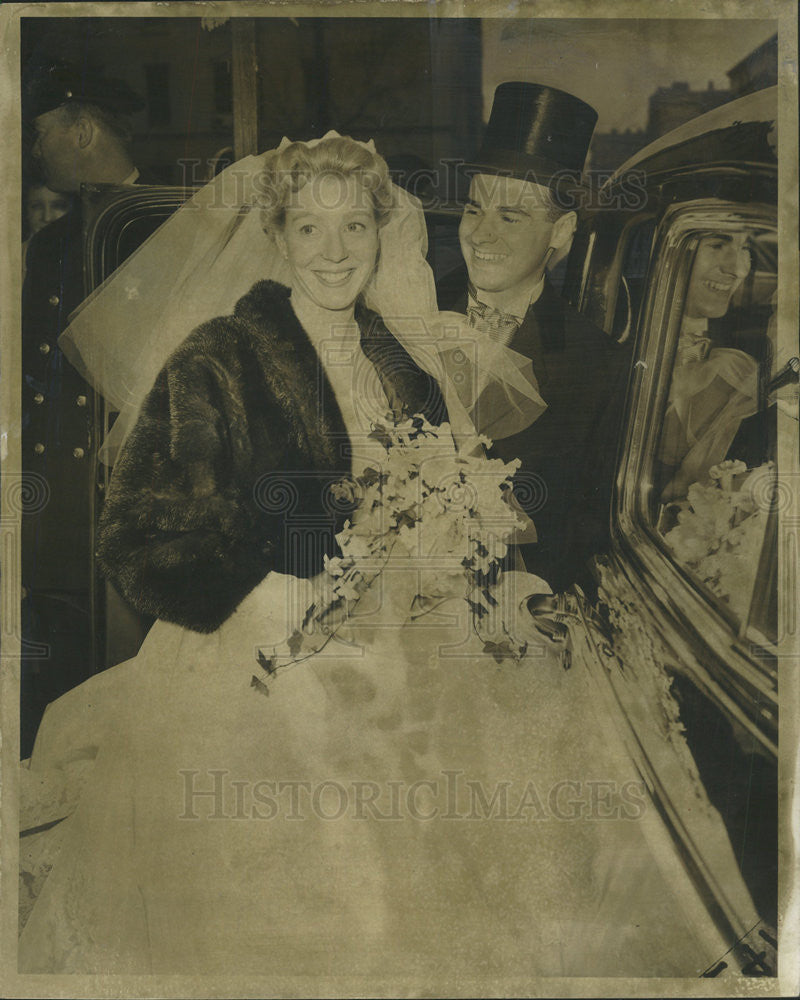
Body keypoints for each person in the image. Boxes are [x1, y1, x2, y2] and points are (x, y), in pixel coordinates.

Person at [18, 135, 765, 980]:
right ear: (280, 234)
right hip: (256, 655)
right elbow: (138, 536)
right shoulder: (221, 357)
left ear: (385, 234)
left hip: (398, 649)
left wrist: (471, 562)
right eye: (309, 230)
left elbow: (446, 503)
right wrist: (267, 595)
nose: (334, 254)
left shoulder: (404, 361)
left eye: (355, 230)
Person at [438, 83, 631, 595]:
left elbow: (590, 532)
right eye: (474, 209)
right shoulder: (399, 317)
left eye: (511, 216)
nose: (481, 236)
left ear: (561, 232)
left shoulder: (598, 366)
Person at [20, 62, 153, 757]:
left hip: (125, 503)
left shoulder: (164, 225)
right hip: (54, 517)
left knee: (123, 710)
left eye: (40, 135)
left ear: (80, 131)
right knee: (53, 692)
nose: (32, 152)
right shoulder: (46, 244)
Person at [657, 230, 763, 501]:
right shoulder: (621, 335)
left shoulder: (749, 359)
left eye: (744, 248)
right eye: (717, 245)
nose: (737, 269)